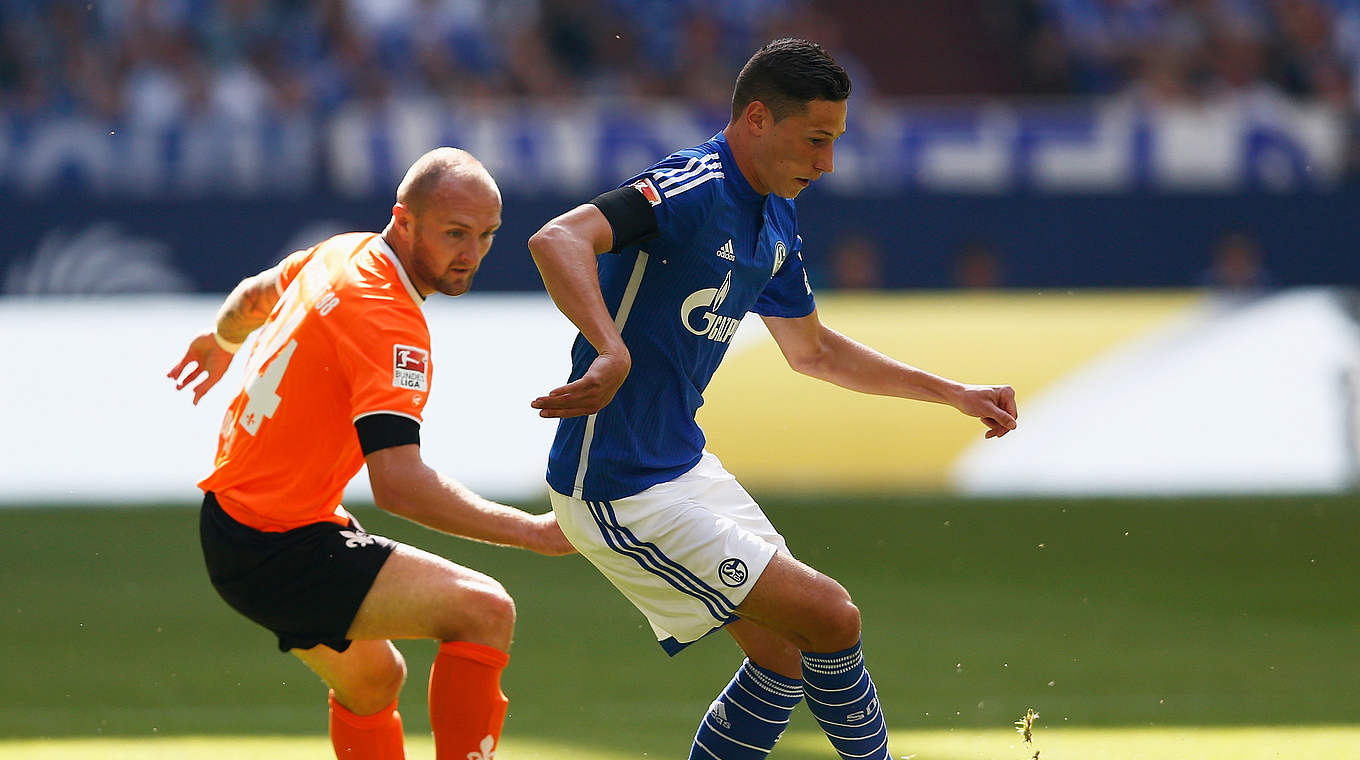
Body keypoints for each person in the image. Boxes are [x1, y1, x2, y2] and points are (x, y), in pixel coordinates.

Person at [527, 38, 1018, 760]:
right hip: (617, 483)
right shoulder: (693, 187)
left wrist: (953, 393)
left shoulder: (775, 220)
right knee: (830, 616)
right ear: (757, 118)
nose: (826, 164)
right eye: (816, 141)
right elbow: (558, 237)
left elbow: (813, 351)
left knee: (787, 654)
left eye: (834, 144)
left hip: (679, 465)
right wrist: (610, 346)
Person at [167, 147, 572, 760]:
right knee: (485, 611)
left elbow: (254, 297)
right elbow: (398, 485)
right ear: (404, 221)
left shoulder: (342, 251)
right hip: (276, 546)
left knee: (375, 680)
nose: (473, 254)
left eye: (487, 235)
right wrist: (535, 533)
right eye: (455, 233)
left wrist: (223, 339)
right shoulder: (389, 322)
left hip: (242, 525)